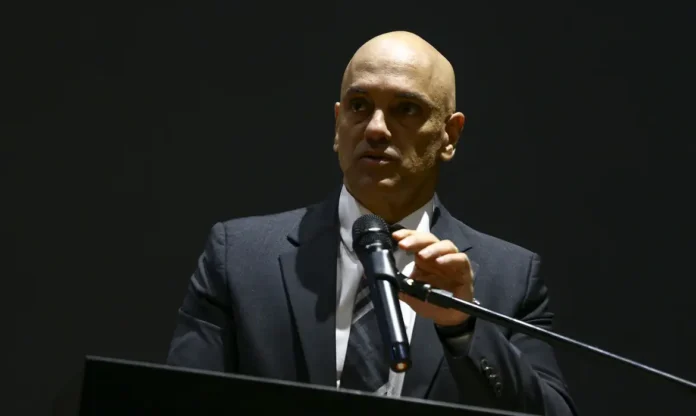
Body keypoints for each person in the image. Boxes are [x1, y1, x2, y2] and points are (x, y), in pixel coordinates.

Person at [166, 31, 578, 415]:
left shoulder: (510, 278)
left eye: (406, 109)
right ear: (338, 123)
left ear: (449, 135)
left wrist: (463, 327)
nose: (376, 129)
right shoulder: (238, 258)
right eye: (359, 106)